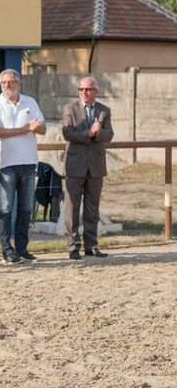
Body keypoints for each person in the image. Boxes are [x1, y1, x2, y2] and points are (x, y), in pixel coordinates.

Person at [0, 69, 46, 264]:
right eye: (3, 83)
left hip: (28, 162)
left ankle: (22, 248)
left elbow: (43, 128)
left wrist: (37, 127)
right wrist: (24, 129)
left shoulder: (30, 102)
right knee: (5, 208)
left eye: (11, 82)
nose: (7, 86)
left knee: (26, 209)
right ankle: (6, 249)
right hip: (6, 164)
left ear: (18, 83)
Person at [62, 77, 114, 260]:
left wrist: (98, 133)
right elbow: (68, 133)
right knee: (72, 209)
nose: (84, 92)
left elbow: (109, 135)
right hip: (75, 165)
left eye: (88, 89)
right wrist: (89, 133)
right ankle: (72, 246)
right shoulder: (70, 109)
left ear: (96, 92)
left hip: (96, 166)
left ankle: (91, 245)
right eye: (81, 89)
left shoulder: (104, 111)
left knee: (93, 209)